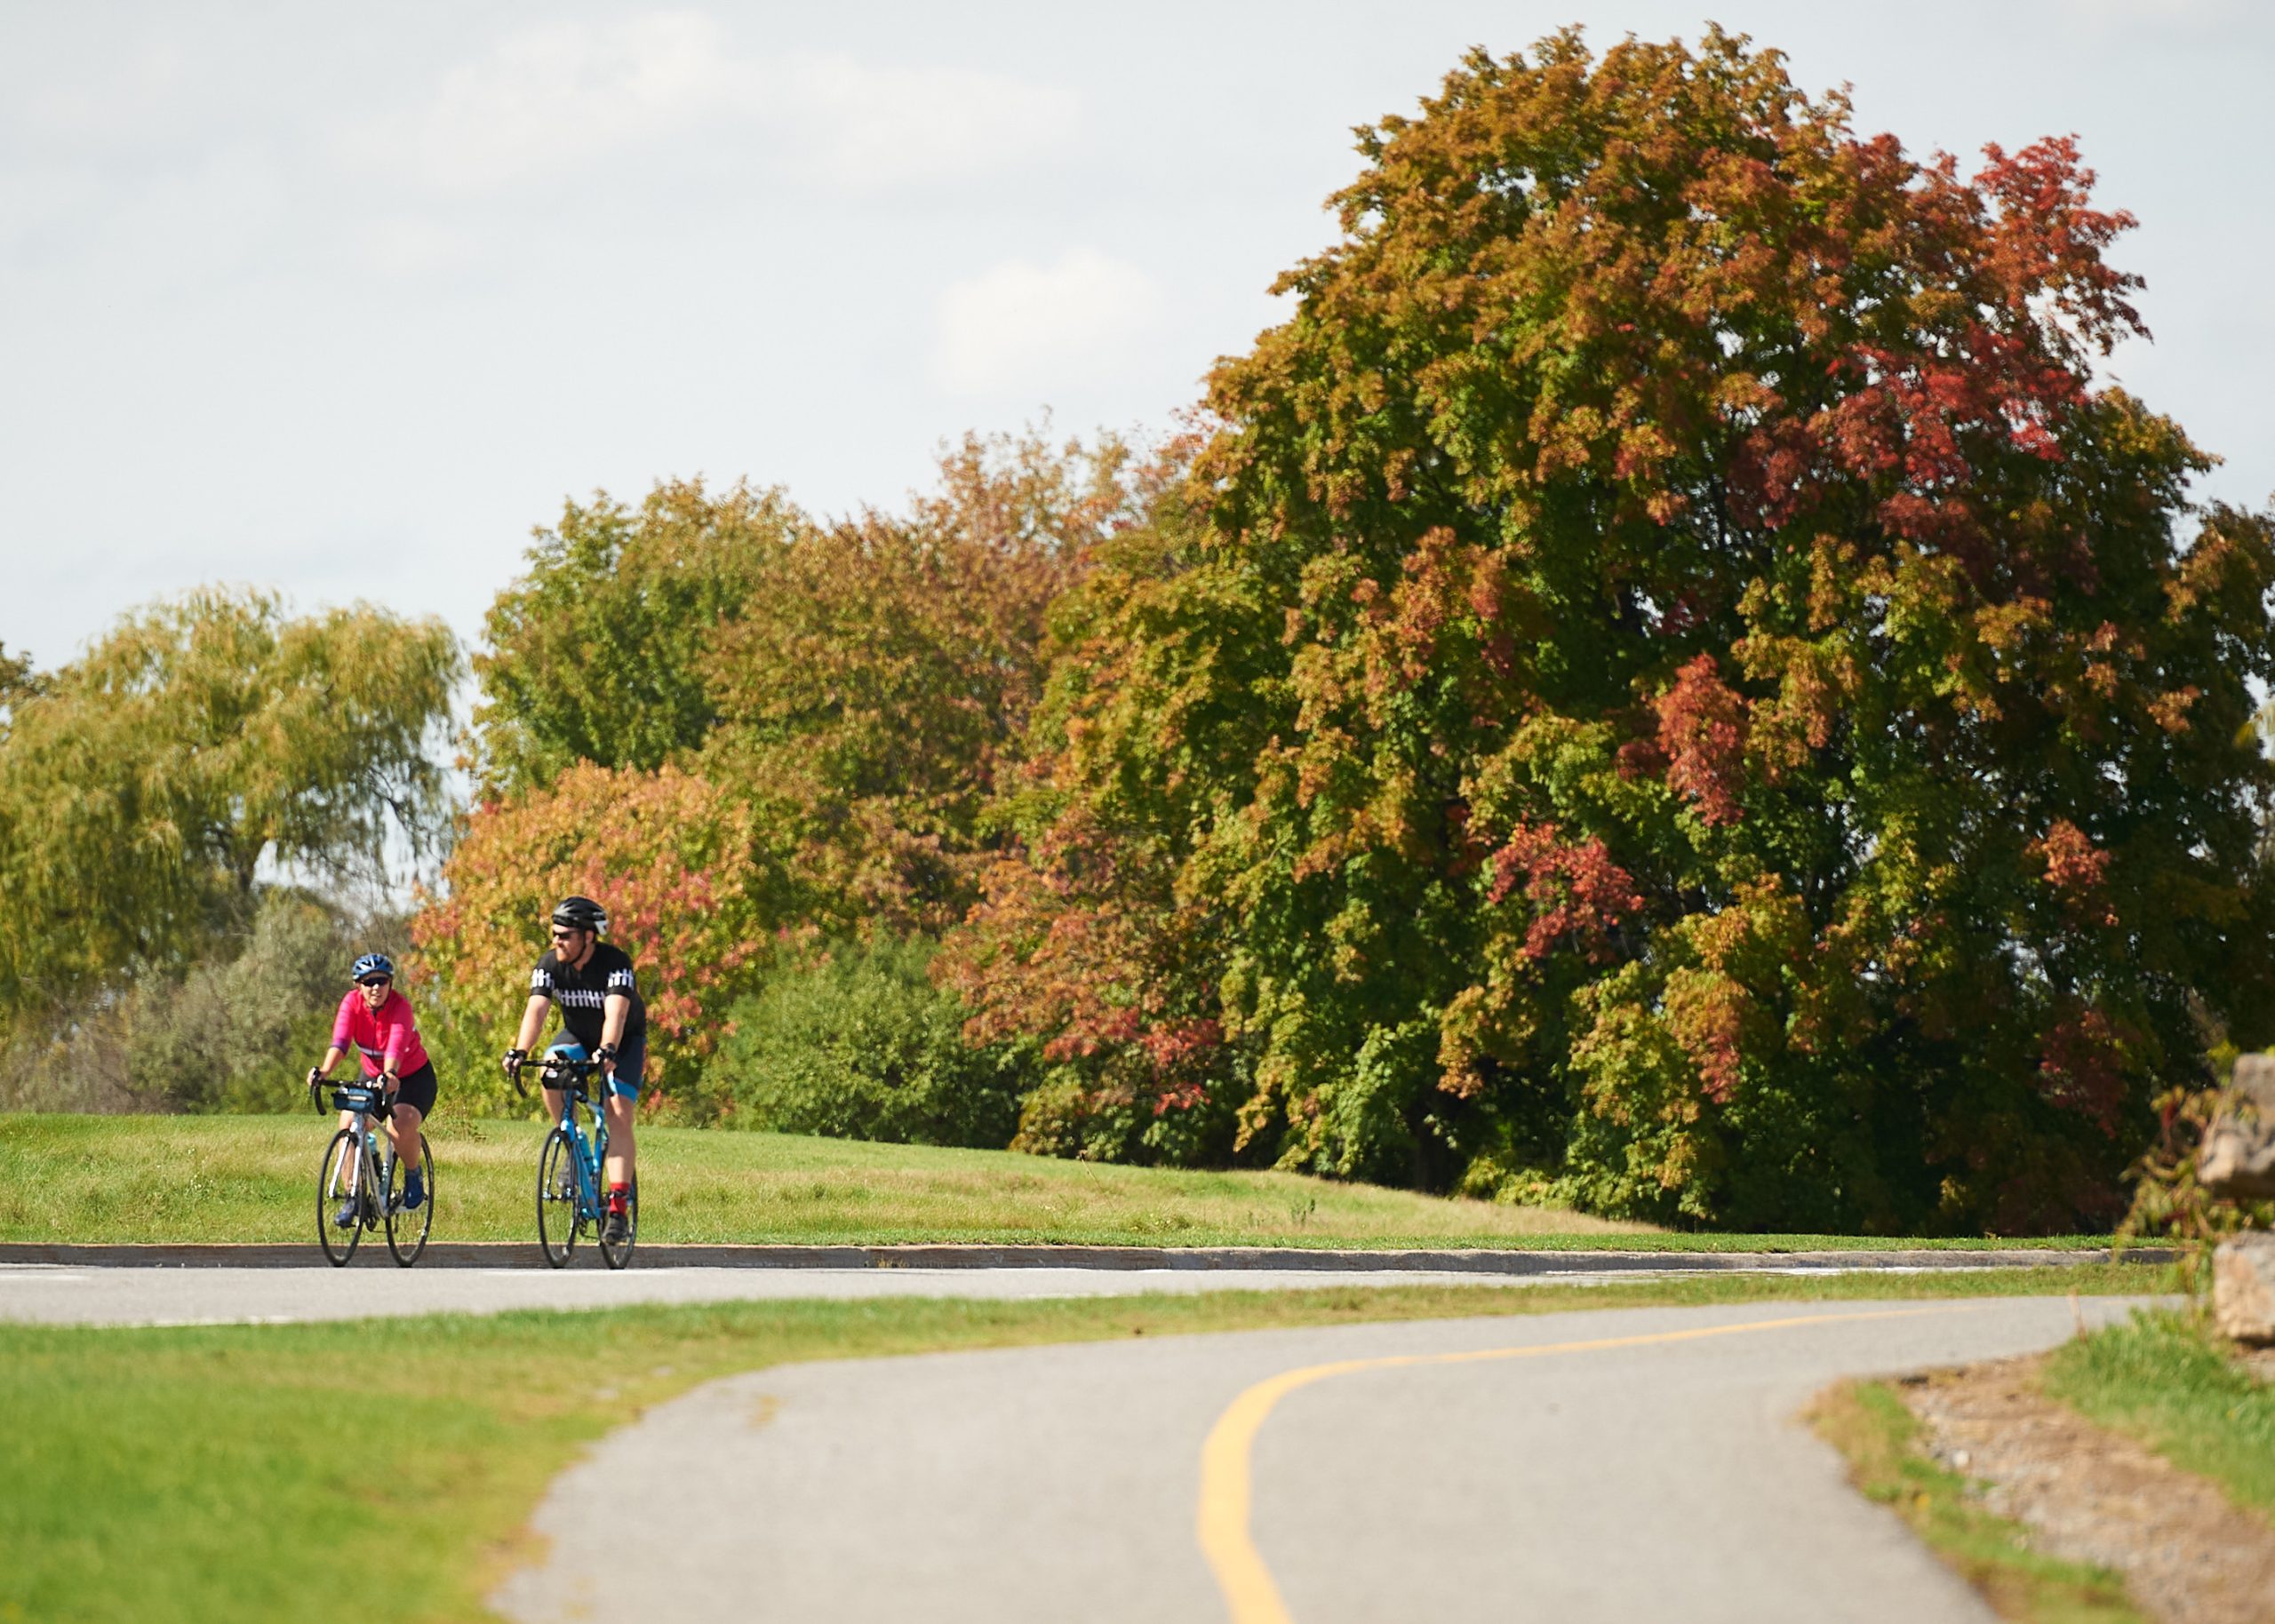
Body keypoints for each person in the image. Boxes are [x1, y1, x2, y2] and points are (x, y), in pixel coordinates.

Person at [501, 896, 646, 1244]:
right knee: (549, 1071)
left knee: (617, 1113)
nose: (557, 941)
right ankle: (569, 1139)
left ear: (589, 937)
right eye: (554, 933)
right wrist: (521, 1050)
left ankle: (618, 1208)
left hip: (622, 1042)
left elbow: (617, 1015)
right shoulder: (550, 964)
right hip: (579, 1037)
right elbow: (536, 1011)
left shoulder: (615, 963)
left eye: (565, 935)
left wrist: (608, 1049)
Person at [307, 951, 435, 1226]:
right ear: (358, 986)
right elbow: (340, 1041)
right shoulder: (351, 1004)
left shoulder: (400, 1007)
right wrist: (324, 1072)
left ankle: (414, 1174)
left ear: (390, 983)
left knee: (400, 1125)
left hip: (411, 1076)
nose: (376, 987)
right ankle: (354, 1196)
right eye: (368, 982)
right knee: (348, 1125)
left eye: (382, 981)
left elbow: (396, 1044)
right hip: (372, 1074)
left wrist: (390, 1072)